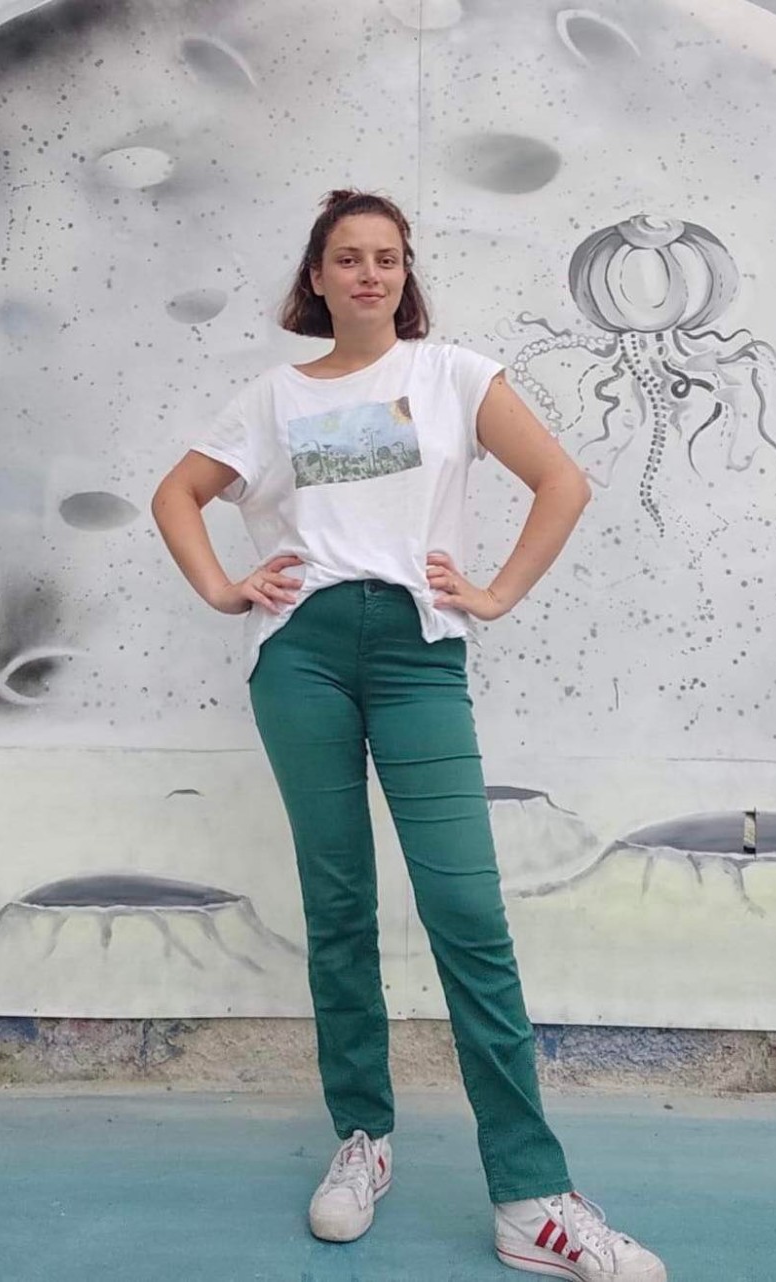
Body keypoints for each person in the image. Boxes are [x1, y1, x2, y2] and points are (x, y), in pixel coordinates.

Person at [151, 189, 667, 1281]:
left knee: (466, 912)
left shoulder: (453, 376)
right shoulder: (273, 396)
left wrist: (495, 593)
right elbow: (177, 495)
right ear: (317, 276)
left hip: (416, 655)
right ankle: (361, 1137)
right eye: (347, 258)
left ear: (404, 273)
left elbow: (561, 482)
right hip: (300, 658)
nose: (369, 274)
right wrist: (223, 589)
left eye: (386, 257)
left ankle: (530, 1195)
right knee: (337, 902)